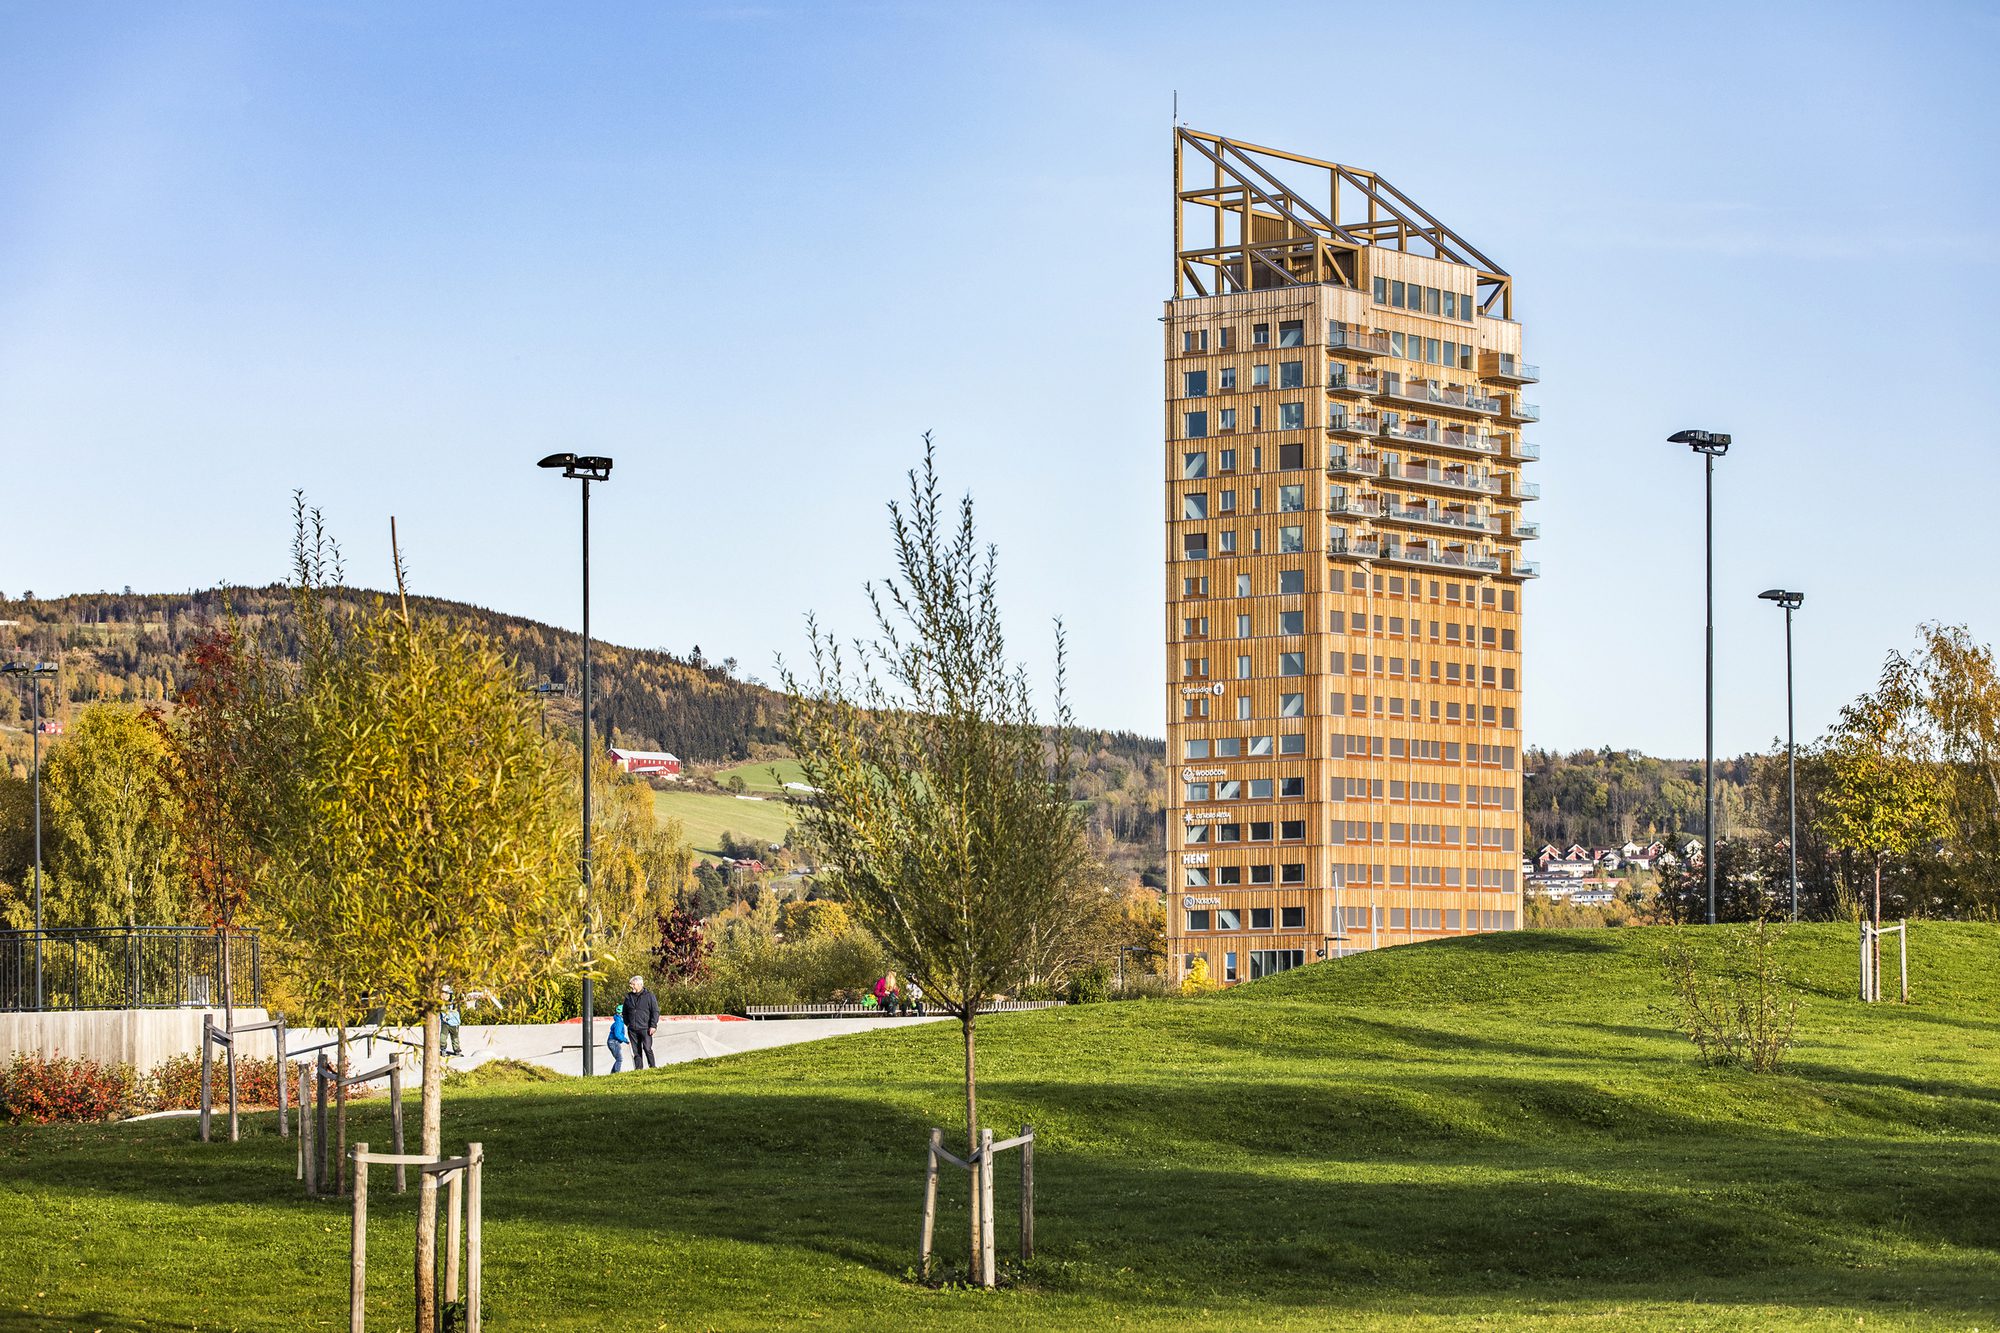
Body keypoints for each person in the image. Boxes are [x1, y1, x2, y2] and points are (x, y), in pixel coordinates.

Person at [619, 974, 659, 1071]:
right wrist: (627, 1023)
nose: (631, 986)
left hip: (646, 1028)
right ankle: (638, 1069)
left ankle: (653, 1067)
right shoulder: (628, 997)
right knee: (636, 1051)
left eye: (633, 984)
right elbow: (624, 1012)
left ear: (639, 984)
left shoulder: (650, 996)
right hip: (632, 1029)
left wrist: (653, 1026)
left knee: (647, 1048)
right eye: (631, 984)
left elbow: (655, 1011)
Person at [441, 987, 463, 1057]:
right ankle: (443, 1049)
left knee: (455, 1039)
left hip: (454, 1024)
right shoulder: (441, 1003)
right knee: (442, 1038)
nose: (445, 996)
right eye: (443, 994)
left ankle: (457, 1050)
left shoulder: (454, 1004)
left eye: (447, 994)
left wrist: (448, 1017)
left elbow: (456, 1013)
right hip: (445, 1024)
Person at [607, 1009, 628, 1073]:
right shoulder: (619, 1022)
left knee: (618, 1059)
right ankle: (616, 1073)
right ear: (621, 1014)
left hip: (613, 1042)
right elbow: (617, 1034)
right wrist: (625, 1040)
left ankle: (613, 1073)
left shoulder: (619, 1021)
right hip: (614, 1042)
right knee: (619, 1059)